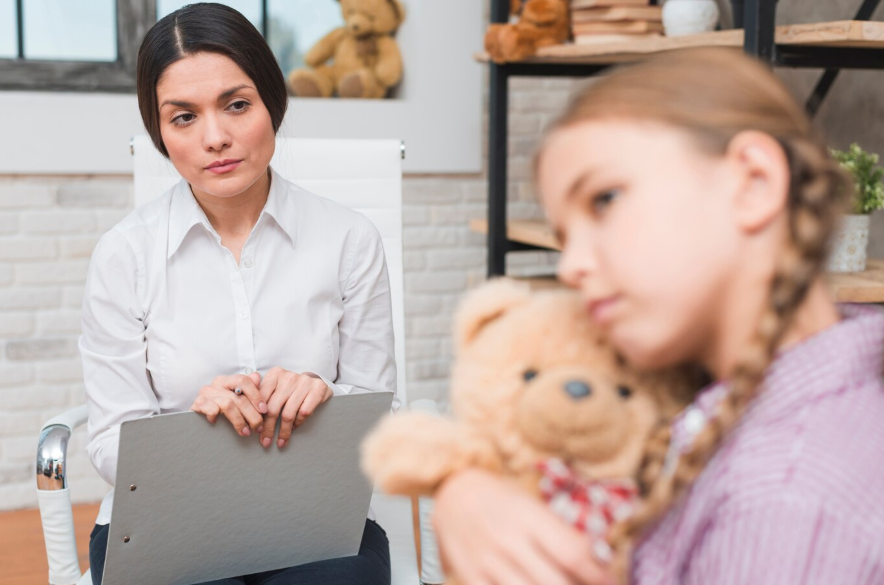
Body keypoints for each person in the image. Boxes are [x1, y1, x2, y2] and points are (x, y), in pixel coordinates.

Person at [432, 48, 884, 584]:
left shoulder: (783, 499)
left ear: (754, 182)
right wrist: (464, 493)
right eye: (564, 238)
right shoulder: (738, 399)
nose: (572, 266)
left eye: (604, 199)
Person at [80, 4, 396, 584]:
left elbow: (380, 410)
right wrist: (186, 434)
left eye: (237, 105)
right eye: (183, 118)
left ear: (272, 103)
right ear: (160, 133)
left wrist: (325, 392)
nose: (215, 138)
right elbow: (108, 440)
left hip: (316, 520)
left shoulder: (350, 239)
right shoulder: (124, 254)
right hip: (164, 520)